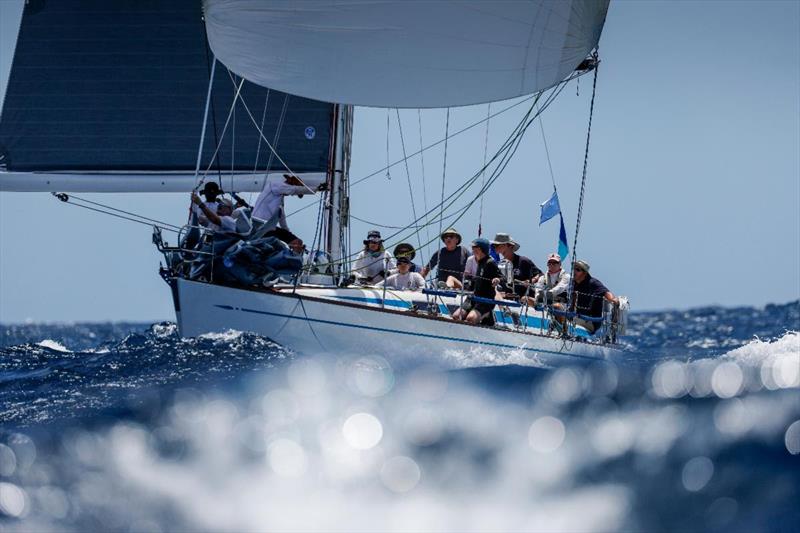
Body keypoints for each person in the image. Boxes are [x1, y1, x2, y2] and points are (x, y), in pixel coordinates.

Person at [452, 238, 501, 325]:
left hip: (485, 299)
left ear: (480, 249)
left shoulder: (490, 262)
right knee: (456, 316)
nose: (472, 250)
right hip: (473, 297)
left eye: (474, 248)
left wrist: (497, 279)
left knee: (470, 318)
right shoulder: (479, 261)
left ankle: (488, 313)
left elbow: (501, 276)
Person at [251, 174, 324, 231]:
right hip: (258, 221)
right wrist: (316, 188)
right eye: (290, 192)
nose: (290, 195)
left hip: (265, 225)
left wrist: (287, 232)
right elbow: (295, 189)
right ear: (289, 182)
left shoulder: (278, 198)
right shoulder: (274, 185)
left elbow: (281, 217)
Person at [570, 260, 619, 334]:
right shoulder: (573, 283)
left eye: (577, 270)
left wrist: (613, 299)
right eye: (573, 268)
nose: (574, 271)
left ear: (585, 273)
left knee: (566, 320)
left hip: (590, 321)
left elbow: (606, 292)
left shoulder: (593, 283)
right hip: (575, 317)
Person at [491, 232, 542, 300]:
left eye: (498, 245)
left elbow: (541, 275)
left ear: (509, 246)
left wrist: (531, 281)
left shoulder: (523, 261)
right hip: (506, 302)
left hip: (524, 303)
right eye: (495, 245)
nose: (495, 247)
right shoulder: (499, 265)